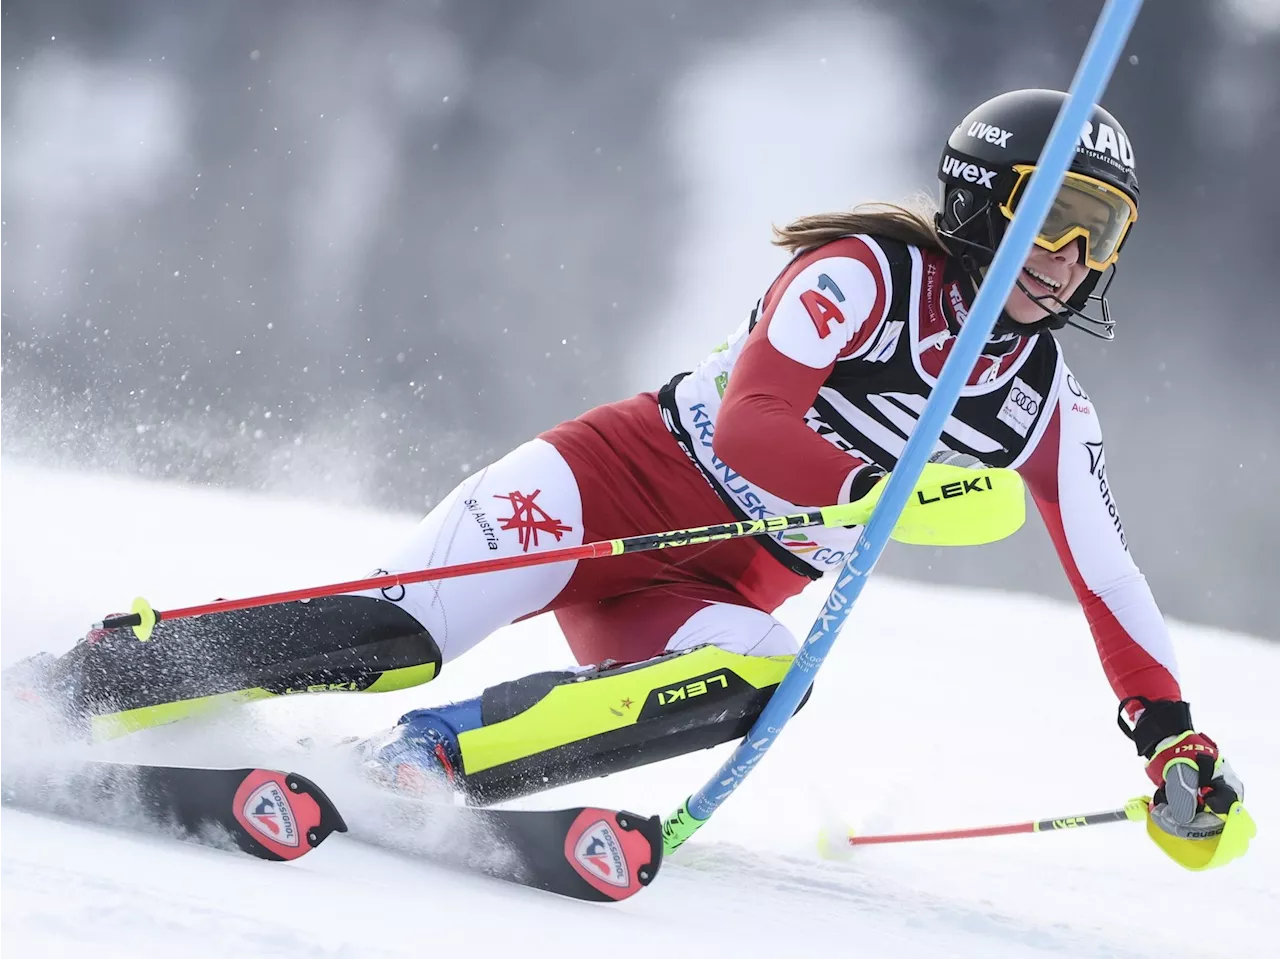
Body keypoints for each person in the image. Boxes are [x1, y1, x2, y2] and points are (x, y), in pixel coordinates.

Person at [15, 89, 1243, 844]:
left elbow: (1106, 571)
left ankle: (428, 758)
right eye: (1053, 212)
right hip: (606, 490)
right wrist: (874, 488)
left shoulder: (1040, 406)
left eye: (1103, 232)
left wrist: (1168, 736)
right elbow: (762, 419)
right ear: (982, 202)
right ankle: (108, 669)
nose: (1071, 254)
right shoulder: (863, 274)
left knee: (773, 671)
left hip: (710, 583)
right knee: (409, 626)